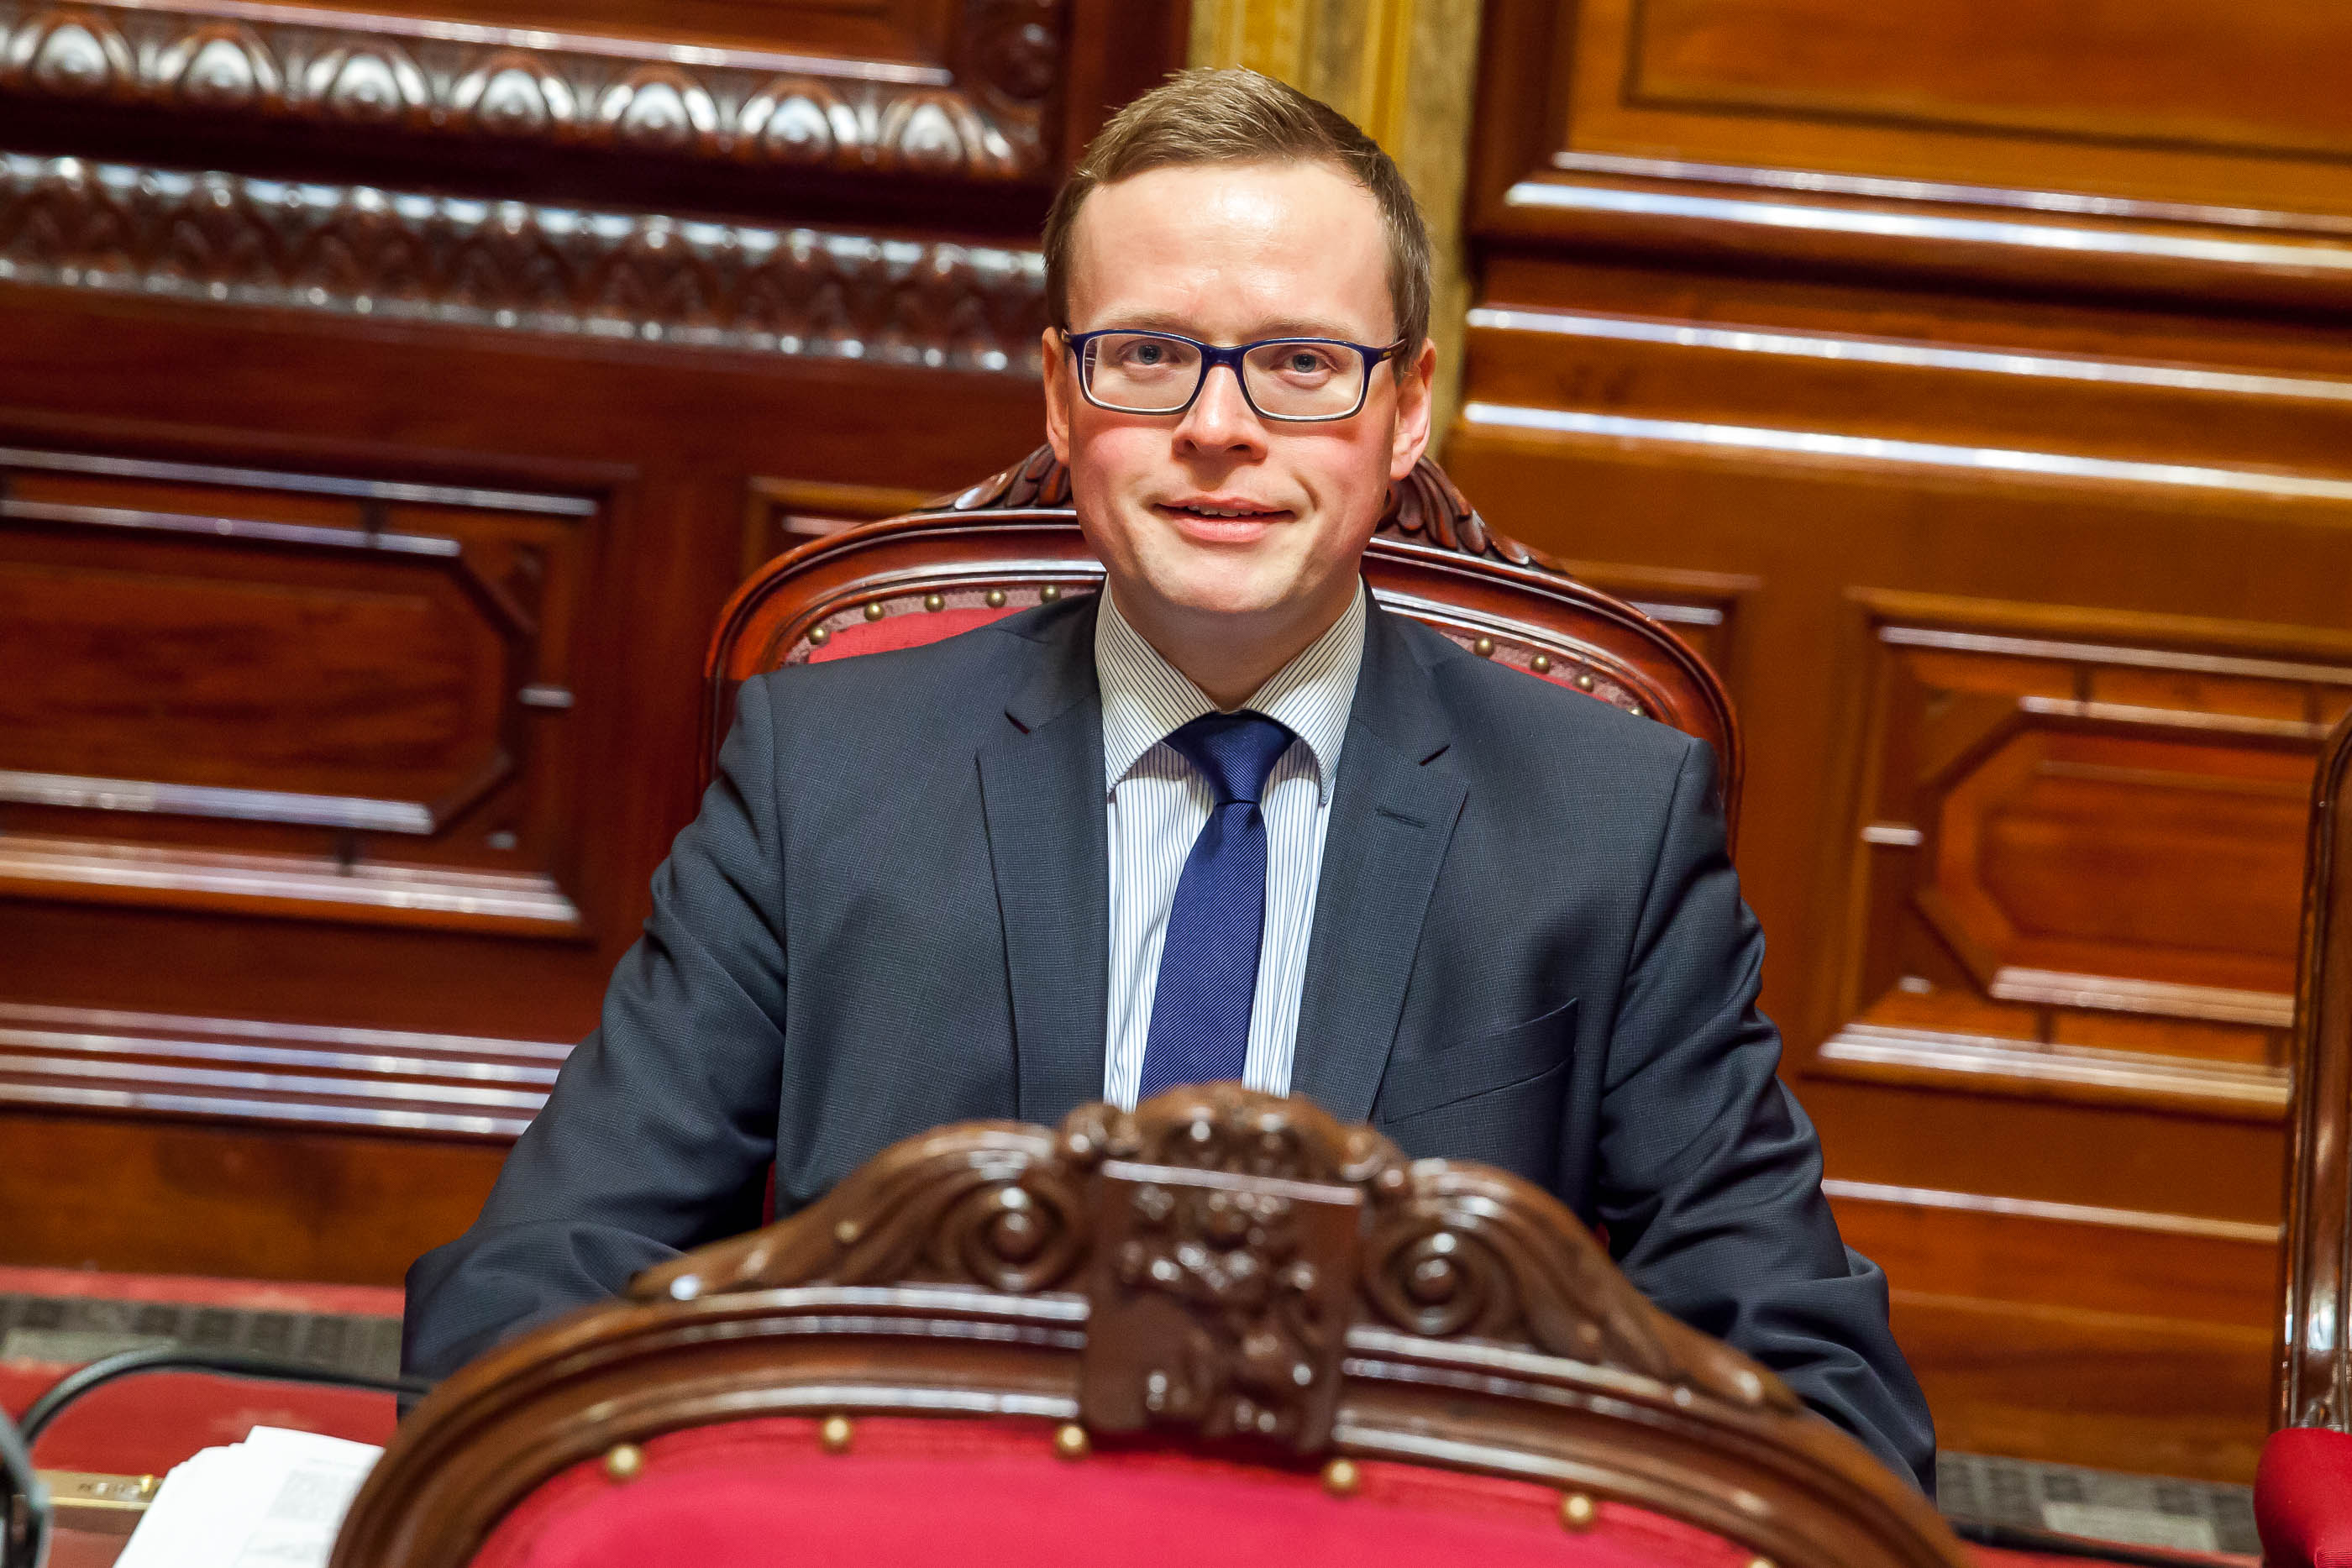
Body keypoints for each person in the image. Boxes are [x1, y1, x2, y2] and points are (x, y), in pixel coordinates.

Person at [403, 67, 1936, 1491]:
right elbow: (533, 1291)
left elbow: (1812, 1397)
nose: (1218, 427)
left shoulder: (1606, 824)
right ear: (1063, 399)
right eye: (1148, 356)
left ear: (1407, 410)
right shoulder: (825, 773)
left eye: (1301, 366)